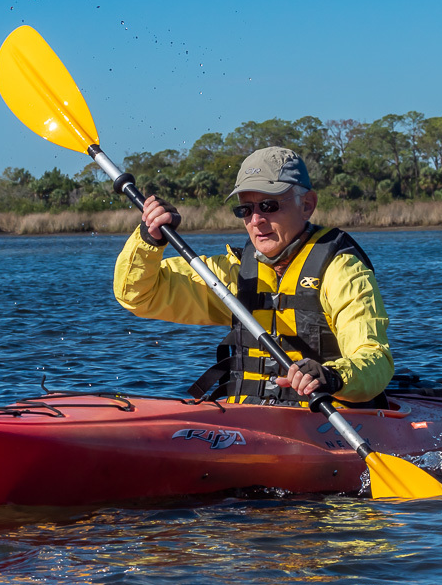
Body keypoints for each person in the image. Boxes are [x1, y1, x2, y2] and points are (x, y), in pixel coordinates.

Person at [113, 147, 393, 405]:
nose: (256, 220)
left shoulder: (342, 271)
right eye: (245, 209)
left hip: (323, 418)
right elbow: (138, 296)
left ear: (307, 204)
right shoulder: (234, 274)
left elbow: (375, 358)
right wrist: (150, 240)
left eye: (269, 206)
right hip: (250, 417)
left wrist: (332, 376)